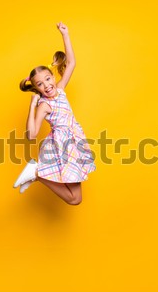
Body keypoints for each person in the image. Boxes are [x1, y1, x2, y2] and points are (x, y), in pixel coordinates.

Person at [13, 22, 96, 206]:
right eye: (40, 84)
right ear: (36, 88)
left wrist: (65, 34)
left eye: (48, 79)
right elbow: (31, 135)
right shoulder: (44, 105)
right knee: (75, 199)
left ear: (52, 76)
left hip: (73, 141)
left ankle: (36, 174)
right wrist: (32, 105)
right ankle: (37, 174)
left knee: (76, 199)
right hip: (63, 147)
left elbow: (72, 63)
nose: (47, 85)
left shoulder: (61, 89)